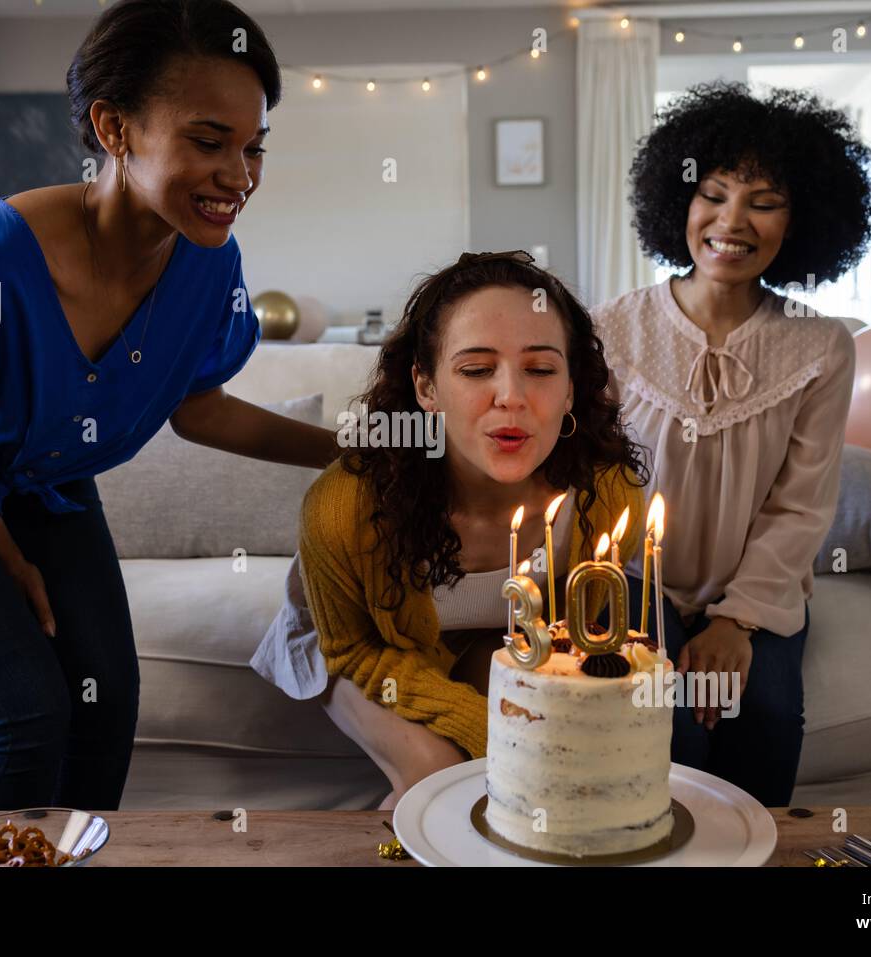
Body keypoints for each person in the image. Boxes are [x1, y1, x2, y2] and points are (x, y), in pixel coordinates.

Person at [0, 0, 337, 812]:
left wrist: (351, 451)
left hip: (37, 474)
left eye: (253, 148)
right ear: (115, 127)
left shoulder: (209, 265)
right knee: (28, 711)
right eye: (209, 142)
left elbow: (201, 410)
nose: (240, 178)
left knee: (105, 700)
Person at [252, 250, 648, 808]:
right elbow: (353, 649)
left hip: (501, 638)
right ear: (426, 386)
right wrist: (477, 730)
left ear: (571, 388)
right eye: (476, 369)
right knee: (438, 776)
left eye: (539, 369)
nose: (511, 396)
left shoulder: (607, 494)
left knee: (540, 767)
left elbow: (563, 632)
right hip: (359, 643)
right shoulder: (347, 504)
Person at [593, 81, 871, 806]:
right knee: (667, 723)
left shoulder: (823, 346)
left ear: (801, 220)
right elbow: (583, 477)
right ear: (676, 204)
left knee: (767, 717)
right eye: (712, 194)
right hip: (633, 577)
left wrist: (736, 619)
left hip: (757, 590)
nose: (732, 220)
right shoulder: (611, 330)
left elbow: (801, 505)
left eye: (764, 201)